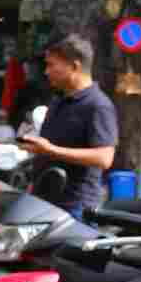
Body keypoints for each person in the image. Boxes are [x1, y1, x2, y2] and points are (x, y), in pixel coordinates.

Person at [22, 34, 118, 216]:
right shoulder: (58, 101)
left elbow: (104, 158)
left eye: (51, 65)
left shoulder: (98, 105)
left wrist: (51, 150)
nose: (46, 71)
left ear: (74, 66)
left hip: (75, 207)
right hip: (44, 201)